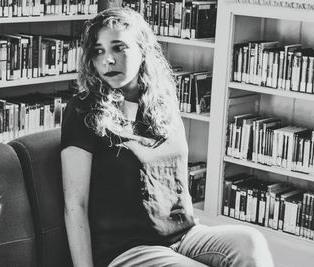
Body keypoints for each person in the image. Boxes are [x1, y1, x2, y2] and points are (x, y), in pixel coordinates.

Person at [60, 7, 274, 267]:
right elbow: (75, 204)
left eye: (119, 47)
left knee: (250, 242)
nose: (108, 60)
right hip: (128, 248)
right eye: (99, 51)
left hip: (184, 235)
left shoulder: (162, 101)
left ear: (143, 50)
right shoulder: (83, 109)